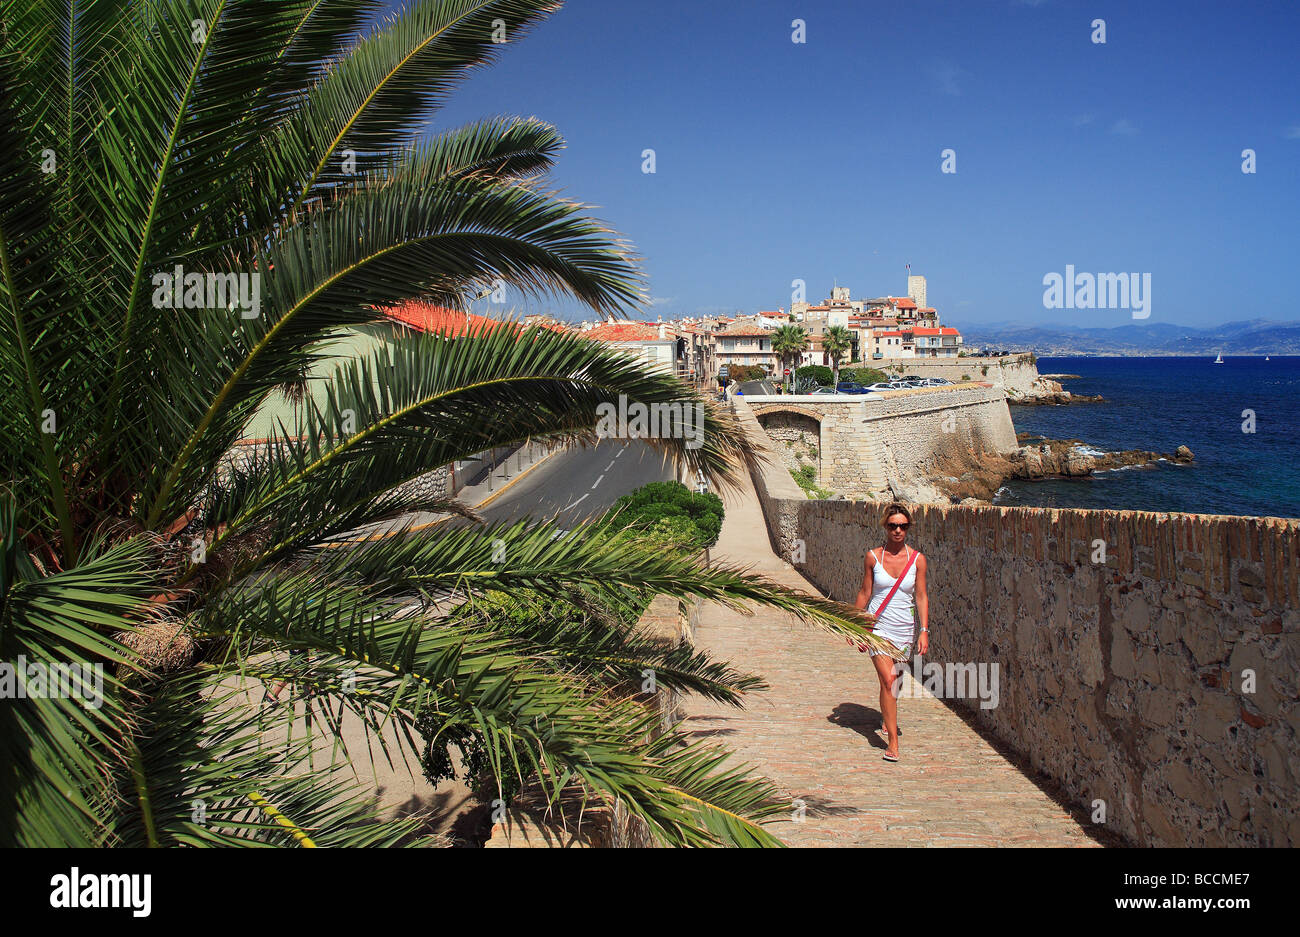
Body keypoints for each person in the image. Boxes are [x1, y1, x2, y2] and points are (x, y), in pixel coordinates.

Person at [852, 503, 929, 762]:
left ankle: (887, 714)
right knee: (888, 681)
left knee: (893, 684)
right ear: (885, 526)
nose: (898, 530)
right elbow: (865, 592)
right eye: (893, 525)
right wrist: (853, 624)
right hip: (878, 627)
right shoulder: (873, 557)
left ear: (908, 528)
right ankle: (893, 741)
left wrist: (924, 630)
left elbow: (921, 596)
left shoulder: (917, 559)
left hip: (904, 629)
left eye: (903, 526)